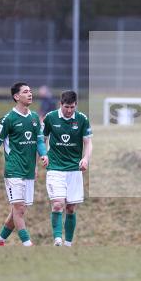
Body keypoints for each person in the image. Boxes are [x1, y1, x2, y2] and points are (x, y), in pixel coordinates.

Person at [0, 82, 48, 247]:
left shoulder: (35, 118)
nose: (30, 94)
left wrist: (43, 155)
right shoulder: (8, 119)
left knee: (17, 211)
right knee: (19, 209)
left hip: (29, 171)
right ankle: (28, 245)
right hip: (14, 170)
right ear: (16, 97)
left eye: (30, 91)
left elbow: (40, 141)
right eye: (25, 92)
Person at [42, 90, 92, 246]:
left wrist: (85, 159)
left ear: (76, 105)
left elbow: (88, 142)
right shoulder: (50, 118)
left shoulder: (82, 119)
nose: (69, 110)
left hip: (74, 170)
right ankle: (57, 239)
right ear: (60, 104)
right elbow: (41, 138)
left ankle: (68, 244)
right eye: (66, 107)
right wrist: (44, 154)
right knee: (57, 204)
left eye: (72, 107)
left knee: (70, 208)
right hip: (55, 168)